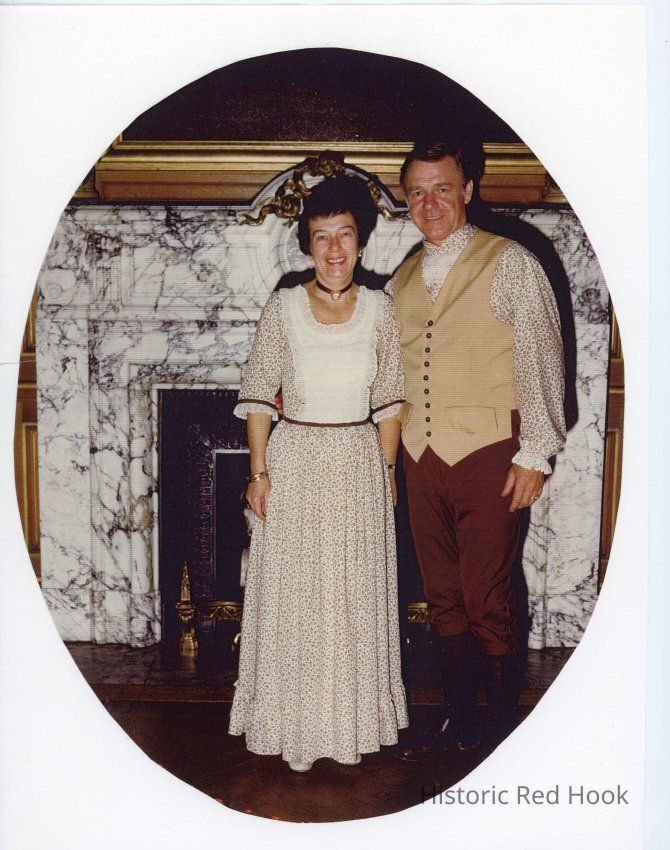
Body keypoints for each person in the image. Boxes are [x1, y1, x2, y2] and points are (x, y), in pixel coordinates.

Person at [387, 139, 566, 759]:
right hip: (420, 457)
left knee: (488, 597)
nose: (429, 203)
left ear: (467, 189)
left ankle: (499, 733)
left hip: (491, 453)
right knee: (443, 599)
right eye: (417, 193)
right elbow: (386, 371)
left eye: (442, 188)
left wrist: (534, 453)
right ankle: (457, 722)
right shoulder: (403, 275)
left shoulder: (511, 261)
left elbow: (541, 358)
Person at [229, 176, 409, 772]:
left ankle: (347, 727)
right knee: (297, 598)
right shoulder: (283, 305)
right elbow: (259, 394)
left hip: (357, 462)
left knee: (351, 596)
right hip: (296, 461)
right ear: (307, 244)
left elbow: (389, 400)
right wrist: (258, 474)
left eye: (345, 235)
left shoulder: (381, 308)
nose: (334, 249)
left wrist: (386, 472)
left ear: (361, 240)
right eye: (321, 236)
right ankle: (296, 731)